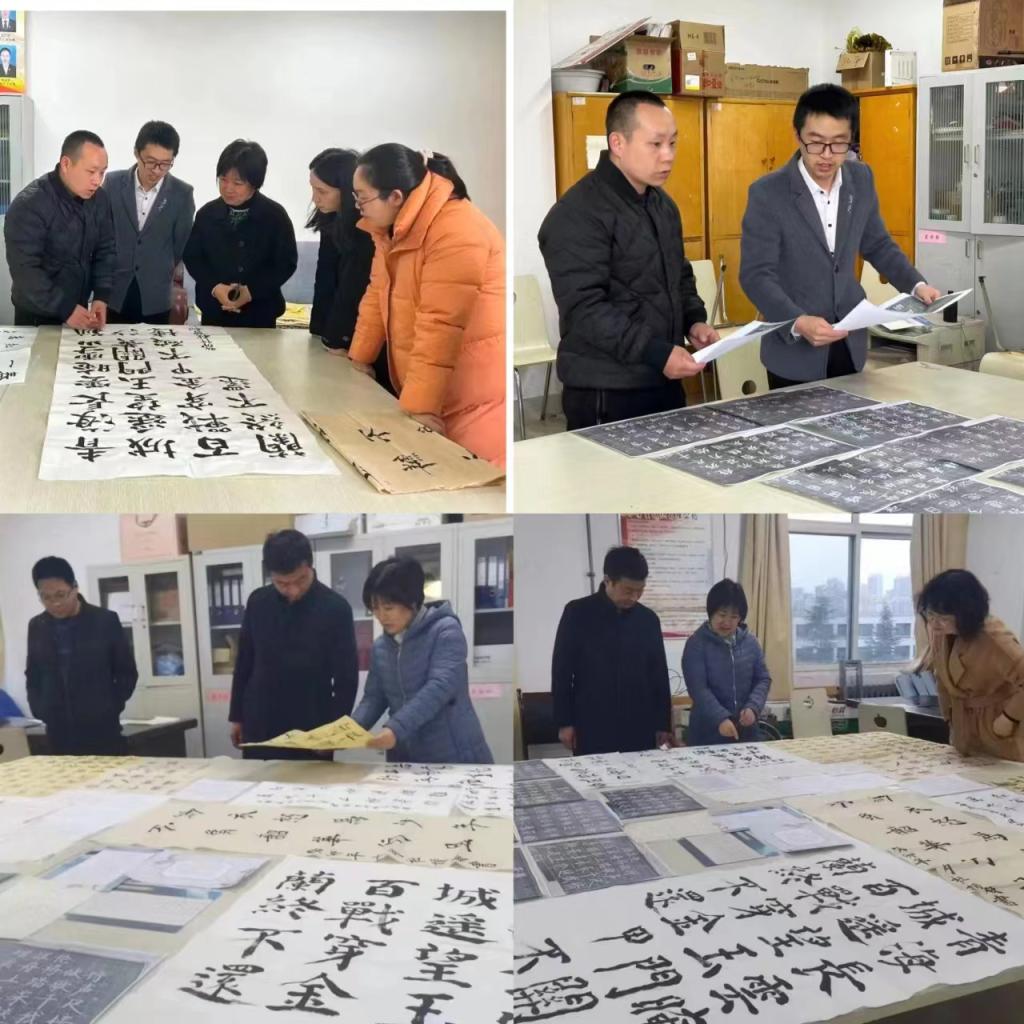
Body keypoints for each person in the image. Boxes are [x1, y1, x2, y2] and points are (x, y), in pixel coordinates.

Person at [741, 84, 942, 389]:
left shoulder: (860, 178)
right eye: (815, 143)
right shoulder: (768, 193)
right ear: (797, 136)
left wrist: (916, 284)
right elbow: (756, 276)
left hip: (850, 341)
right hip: (795, 352)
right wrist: (797, 321)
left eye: (838, 144)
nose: (827, 155)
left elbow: (877, 244)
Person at [538, 91, 717, 431]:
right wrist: (656, 352)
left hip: (662, 378)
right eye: (655, 144)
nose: (668, 156)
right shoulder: (576, 214)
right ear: (617, 143)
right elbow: (585, 309)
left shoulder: (662, 205)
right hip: (608, 388)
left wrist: (694, 322)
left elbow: (679, 275)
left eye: (673, 143)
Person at [348, 143, 505, 468]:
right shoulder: (392, 229)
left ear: (395, 196)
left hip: (469, 390)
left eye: (362, 198)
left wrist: (420, 407)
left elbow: (440, 325)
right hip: (432, 385)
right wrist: (359, 358)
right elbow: (377, 294)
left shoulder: (456, 228)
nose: (358, 207)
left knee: (473, 475)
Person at [228, 530, 358, 760]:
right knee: (258, 781)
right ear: (271, 575)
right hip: (261, 721)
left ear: (310, 566)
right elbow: (245, 661)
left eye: (300, 580)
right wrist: (237, 716)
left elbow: (346, 679)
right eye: (282, 583)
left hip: (312, 724)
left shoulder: (336, 608)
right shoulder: (258, 602)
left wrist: (335, 731)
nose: (293, 590)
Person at [351, 556, 492, 763]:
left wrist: (395, 729)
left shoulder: (445, 631)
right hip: (405, 757)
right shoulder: (381, 646)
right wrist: (348, 730)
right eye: (375, 608)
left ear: (412, 601)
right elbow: (373, 698)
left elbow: (438, 688)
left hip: (452, 753)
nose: (381, 616)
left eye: (388, 608)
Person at [552, 545, 672, 756]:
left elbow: (659, 675)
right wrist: (564, 722)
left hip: (639, 724)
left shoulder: (648, 620)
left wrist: (663, 724)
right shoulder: (578, 614)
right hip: (592, 723)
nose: (634, 597)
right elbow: (561, 672)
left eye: (640, 590)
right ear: (608, 580)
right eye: (628, 590)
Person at [25, 556, 138, 756]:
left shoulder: (104, 621)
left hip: (103, 731)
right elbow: (33, 674)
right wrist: (41, 709)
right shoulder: (37, 626)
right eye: (46, 597)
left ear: (75, 588)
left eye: (60, 594)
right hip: (58, 733)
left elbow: (126, 672)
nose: (55, 603)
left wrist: (110, 706)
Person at [4, 130, 114, 328]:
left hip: (79, 310)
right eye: (91, 172)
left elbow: (105, 250)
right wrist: (64, 308)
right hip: (37, 315)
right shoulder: (29, 204)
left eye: (102, 172)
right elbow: (25, 271)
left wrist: (101, 295)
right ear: (66, 164)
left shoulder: (99, 199)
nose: (97, 180)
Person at [184, 139, 297, 328]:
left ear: (255, 183)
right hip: (214, 311)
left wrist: (251, 291)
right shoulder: (207, 214)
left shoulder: (275, 216)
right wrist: (214, 287)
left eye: (237, 183)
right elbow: (193, 257)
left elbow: (286, 263)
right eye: (223, 179)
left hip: (260, 313)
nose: (228, 188)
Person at [917, 569, 1024, 762]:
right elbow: (942, 678)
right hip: (963, 730)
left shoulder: (995, 639)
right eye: (930, 615)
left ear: (966, 613)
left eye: (943, 618)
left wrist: (1009, 718)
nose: (934, 624)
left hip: (998, 730)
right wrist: (949, 716)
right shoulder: (942, 633)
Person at [306, 148, 388, 383]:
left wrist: (338, 339)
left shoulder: (367, 228)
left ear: (346, 190)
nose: (315, 198)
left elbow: (354, 289)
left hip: (364, 336)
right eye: (313, 189)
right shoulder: (331, 219)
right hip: (337, 332)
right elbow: (325, 278)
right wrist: (319, 332)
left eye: (322, 191)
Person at [105, 121, 195, 325]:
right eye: (151, 162)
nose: (157, 170)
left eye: (165, 164)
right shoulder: (112, 184)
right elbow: (103, 235)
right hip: (115, 291)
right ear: (136, 153)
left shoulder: (182, 194)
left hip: (155, 295)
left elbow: (180, 245)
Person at [682, 579, 771, 746]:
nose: (727, 622)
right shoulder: (696, 644)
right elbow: (698, 689)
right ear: (711, 612)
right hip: (707, 734)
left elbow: (763, 679)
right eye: (722, 615)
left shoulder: (751, 642)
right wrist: (720, 718)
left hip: (747, 734)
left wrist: (753, 707)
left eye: (734, 616)